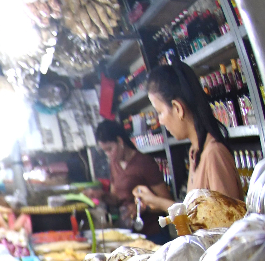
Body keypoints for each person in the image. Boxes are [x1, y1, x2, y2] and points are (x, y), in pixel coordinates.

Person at [135, 61, 242, 215]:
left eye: (160, 112)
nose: (160, 121)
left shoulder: (214, 154)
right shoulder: (195, 151)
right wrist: (156, 201)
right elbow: (194, 215)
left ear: (177, 108)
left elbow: (226, 227)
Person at [93, 119, 171, 240]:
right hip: (130, 233)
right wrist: (101, 195)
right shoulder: (114, 165)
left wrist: (142, 208)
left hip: (153, 233)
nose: (108, 155)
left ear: (120, 141)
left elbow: (166, 201)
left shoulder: (144, 163)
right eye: (105, 151)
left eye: (110, 149)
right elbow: (116, 198)